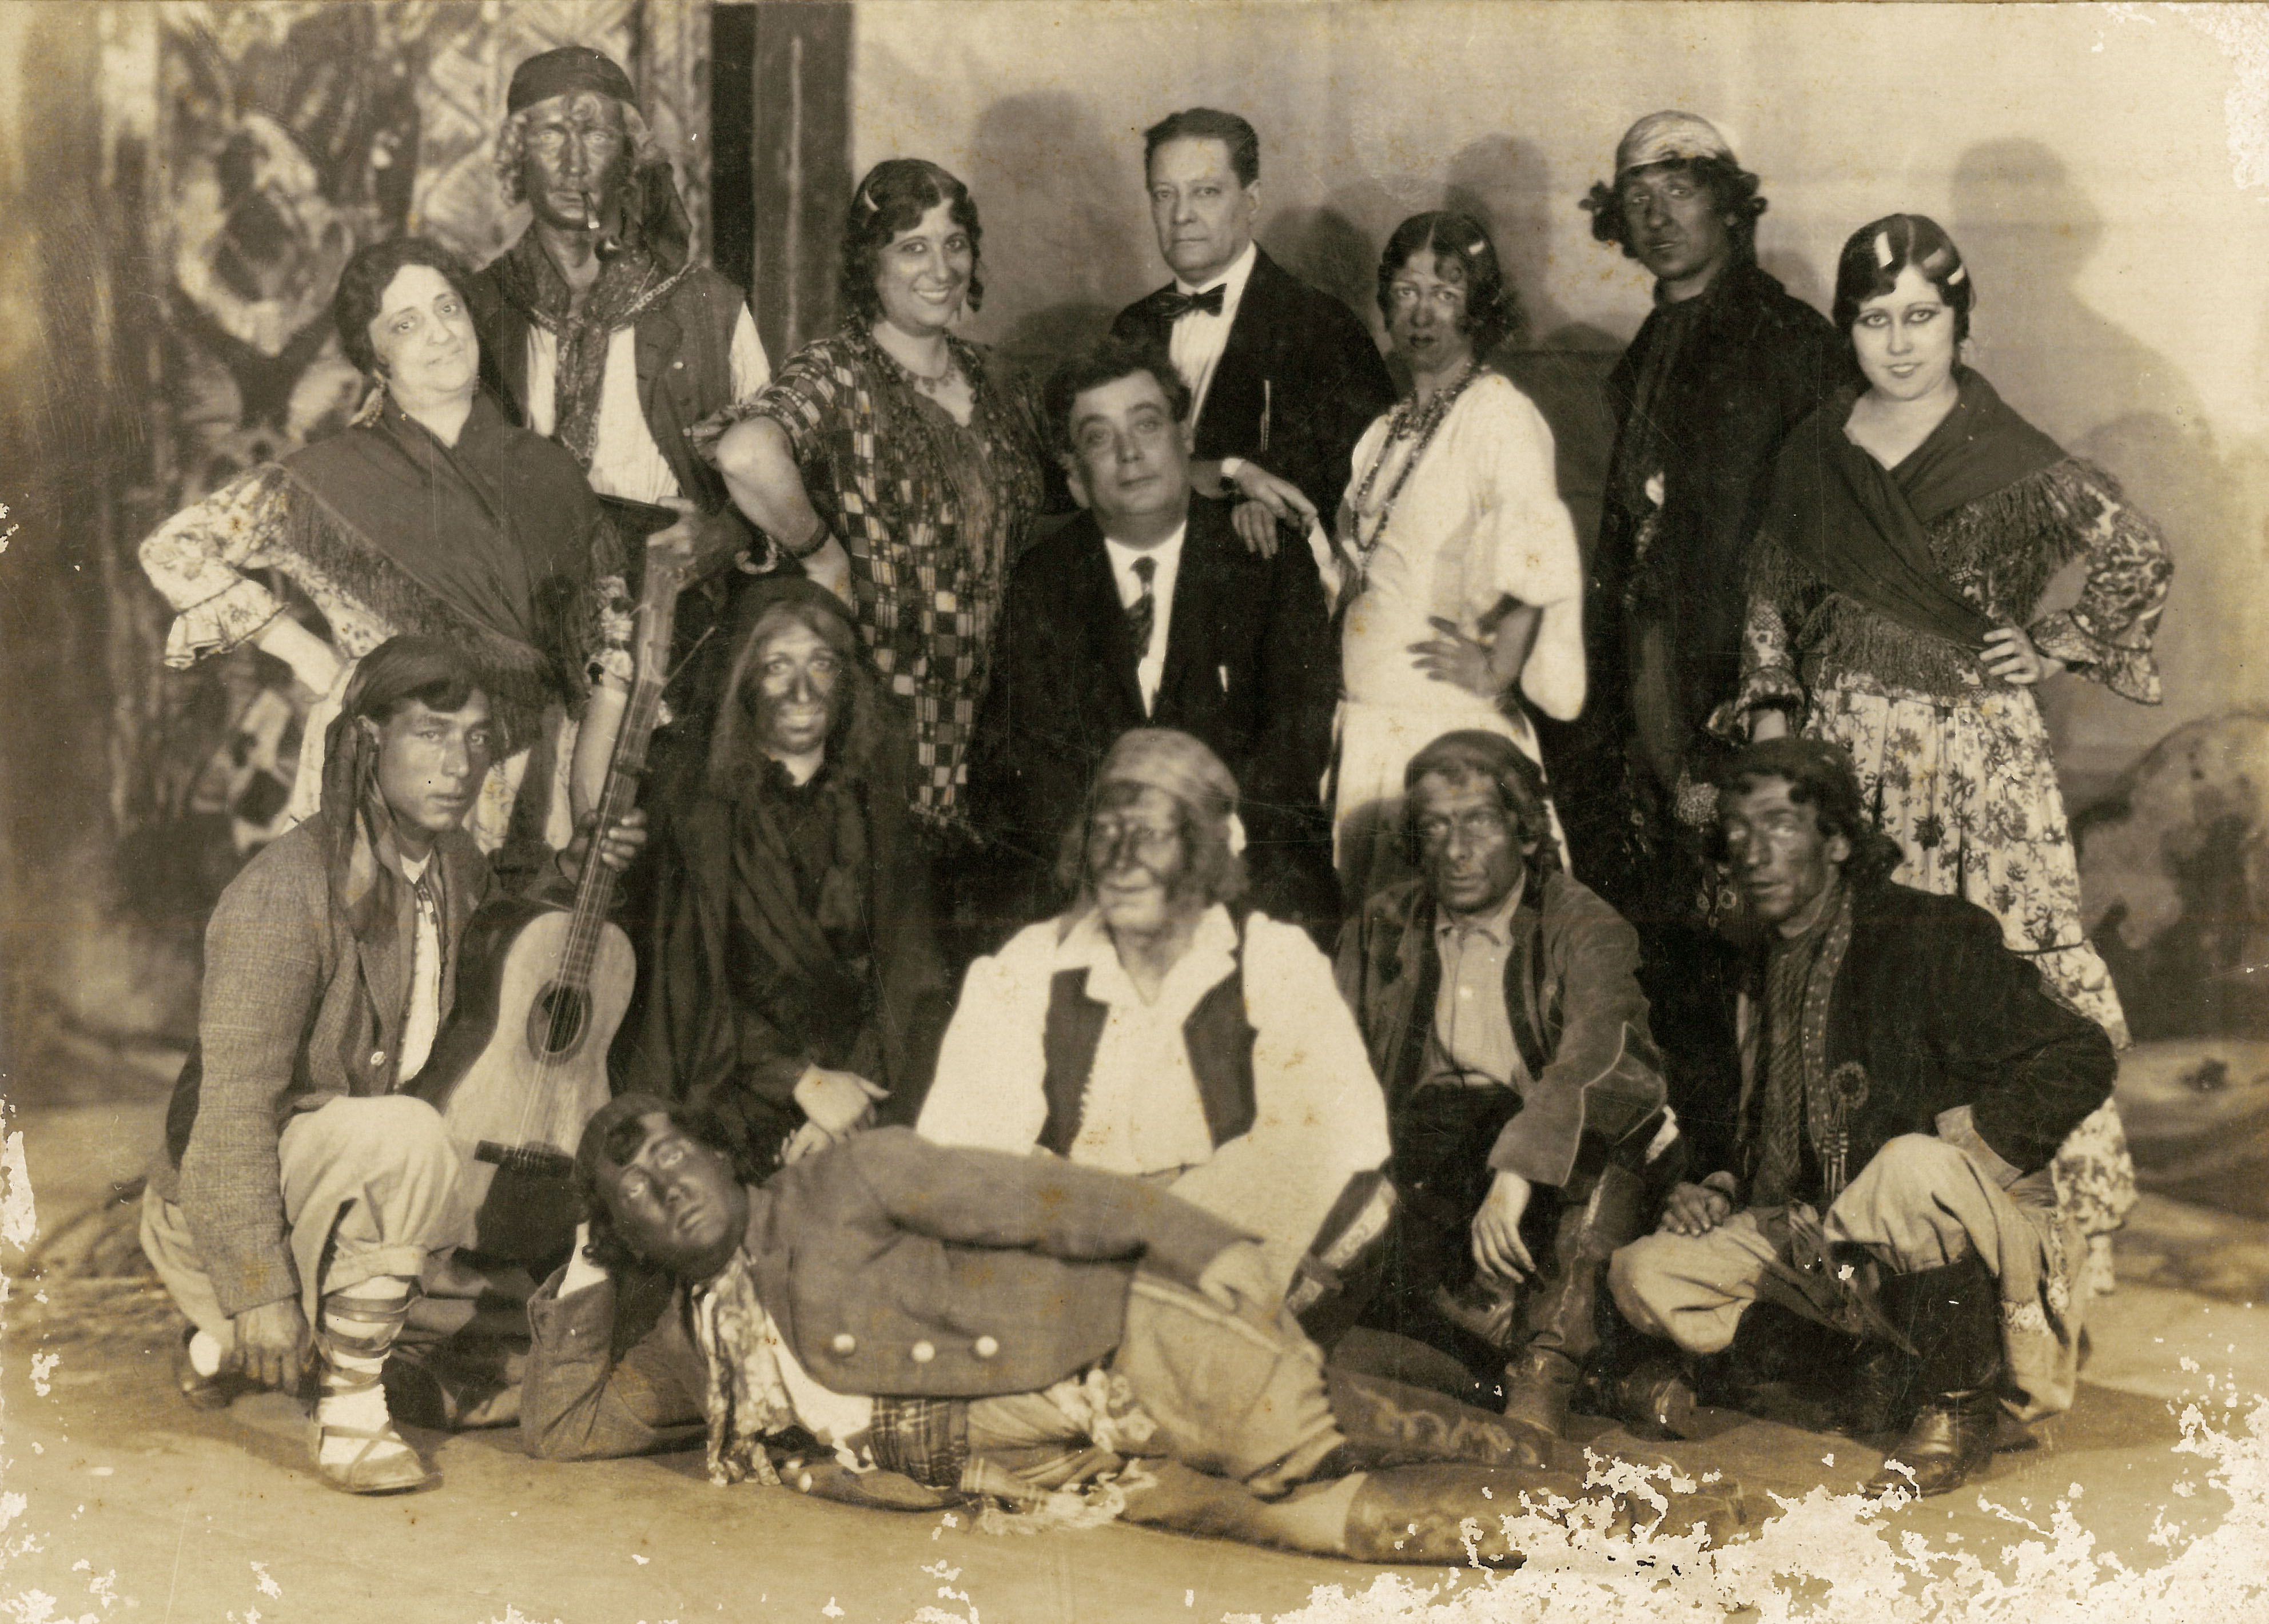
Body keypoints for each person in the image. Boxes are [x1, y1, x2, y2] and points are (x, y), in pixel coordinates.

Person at [520, 1096, 1748, 1562]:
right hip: (1059, 1471)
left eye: (673, 1149)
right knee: (1320, 1521)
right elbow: (565, 1424)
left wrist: (1198, 1249)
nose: (661, 1181)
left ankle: (1564, 1470)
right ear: (622, 1227)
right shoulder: (697, 1344)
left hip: (1123, 1352)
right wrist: (582, 1254)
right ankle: (1646, 1541)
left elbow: (1041, 1195)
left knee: (1387, 1428)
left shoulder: (846, 1181)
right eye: (628, 1185)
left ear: (725, 1153)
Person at [1717, 214, 2172, 1288]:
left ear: (1960, 323)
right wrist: (1779, 726)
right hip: (1846, 756)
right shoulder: (1814, 450)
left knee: (1995, 969)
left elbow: (2136, 557)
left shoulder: (2009, 453)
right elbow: (1769, 601)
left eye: (1922, 316)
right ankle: (1859, 1245)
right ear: (1847, 329)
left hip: (1975, 763)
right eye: (1874, 319)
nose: (1900, 342)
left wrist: (2052, 642)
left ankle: (2024, 1251)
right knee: (1852, 965)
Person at [138, 637, 647, 1493]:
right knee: (413, 1136)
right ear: (368, 740)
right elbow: (228, 1114)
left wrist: (577, 865)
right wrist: (259, 1287)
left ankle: (227, 1339)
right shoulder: (283, 891)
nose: (461, 765)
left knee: (445, 1147)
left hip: (336, 1174)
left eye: (476, 739)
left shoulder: (447, 863)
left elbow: (498, 941)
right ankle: (349, 1411)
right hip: (223, 1197)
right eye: (431, 735)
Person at [1603, 739, 2116, 1498]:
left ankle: (1960, 1405)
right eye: (1738, 833)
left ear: (1839, 840)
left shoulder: (1926, 937)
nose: (1752, 852)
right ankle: (1865, 1364)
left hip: (1986, 1259)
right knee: (1645, 1272)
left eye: (1779, 825)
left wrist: (1972, 1142)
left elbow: (2083, 1052)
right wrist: (1715, 1178)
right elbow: (1752, 1124)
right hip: (1842, 1258)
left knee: (1912, 1167)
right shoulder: (1754, 966)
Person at [138, 235, 648, 867]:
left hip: (534, 791)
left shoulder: (551, 475)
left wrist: (590, 817)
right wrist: (321, 665)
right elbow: (174, 546)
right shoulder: (326, 478)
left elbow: (605, 673)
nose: (440, 334)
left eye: (448, 308)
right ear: (374, 357)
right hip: (384, 789)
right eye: (406, 323)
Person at [921, 730, 1388, 1325]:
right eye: (1106, 834)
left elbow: (1347, 1132)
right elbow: (961, 1147)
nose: (1121, 863)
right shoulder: (1032, 963)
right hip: (1074, 1245)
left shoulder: (1273, 960)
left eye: (1151, 835)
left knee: (1355, 1196)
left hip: (1219, 1248)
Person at [704, 159, 1052, 850]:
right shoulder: (839, 370)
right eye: (912, 246)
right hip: (884, 725)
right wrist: (821, 553)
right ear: (871, 262)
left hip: (993, 729)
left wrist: (1226, 469)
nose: (941, 267)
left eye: (955, 242)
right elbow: (744, 454)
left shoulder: (997, 379)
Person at [1550, 112, 1846, 923]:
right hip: (1651, 657)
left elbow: (1827, 532)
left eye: (1679, 191)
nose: (1657, 216)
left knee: (1756, 885)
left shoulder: (1789, 339)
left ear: (1729, 206)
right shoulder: (1650, 342)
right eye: (1638, 198)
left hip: (1746, 664)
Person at [1337, 731, 1669, 1437]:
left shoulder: (1580, 921)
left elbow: (1603, 1058)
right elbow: (1329, 1062)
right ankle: (1592, 1370)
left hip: (1552, 1152)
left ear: (1522, 831)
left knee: (1606, 1139)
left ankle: (1545, 1369)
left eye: (1479, 821)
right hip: (1435, 1155)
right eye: (1435, 825)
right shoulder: (1383, 924)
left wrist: (1515, 1173)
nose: (1455, 848)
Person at [966, 338, 1338, 933]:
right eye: (1098, 437)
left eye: (1145, 424)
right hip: (1093, 886)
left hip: (1241, 877)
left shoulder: (1265, 561)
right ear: (1074, 474)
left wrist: (1191, 858)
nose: (1129, 453)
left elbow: (1293, 749)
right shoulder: (1044, 577)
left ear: (1185, 437)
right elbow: (1027, 760)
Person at [468, 45, 773, 745]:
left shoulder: (706, 307)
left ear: (630, 155)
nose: (574, 163)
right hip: (515, 624)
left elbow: (780, 468)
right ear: (518, 155)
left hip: (670, 614)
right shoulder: (474, 309)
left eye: (596, 133)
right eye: (550, 133)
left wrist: (725, 534)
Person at [619, 576, 953, 1177]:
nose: (802, 691)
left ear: (847, 681)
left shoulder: (876, 803)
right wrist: (801, 1082)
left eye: (821, 664)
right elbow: (685, 983)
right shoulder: (690, 803)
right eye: (776, 666)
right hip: (728, 1088)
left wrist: (852, 1098)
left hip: (866, 1091)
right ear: (743, 680)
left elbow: (910, 970)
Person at [1331, 213, 1586, 902]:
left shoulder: (1497, 414)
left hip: (1445, 734)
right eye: (1406, 291)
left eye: (1444, 294)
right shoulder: (1384, 430)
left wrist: (1497, 664)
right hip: (1369, 732)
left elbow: (1538, 549)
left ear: (1477, 307)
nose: (1421, 312)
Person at [1112, 108, 1395, 570]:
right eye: (1164, 195)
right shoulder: (1132, 327)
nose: (1181, 216)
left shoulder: (1324, 329)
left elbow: (1369, 500)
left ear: (1253, 199)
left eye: (1205, 192)